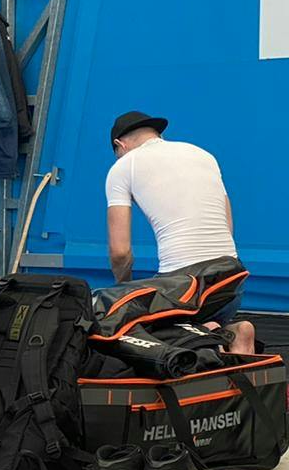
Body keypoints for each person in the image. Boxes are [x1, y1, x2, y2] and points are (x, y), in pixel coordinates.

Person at [106, 111, 255, 352]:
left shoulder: (124, 166)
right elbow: (227, 226)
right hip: (231, 280)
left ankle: (211, 334)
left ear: (119, 145)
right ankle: (221, 332)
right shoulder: (203, 155)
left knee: (132, 330)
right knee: (199, 319)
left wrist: (122, 291)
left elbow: (120, 252)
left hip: (186, 287)